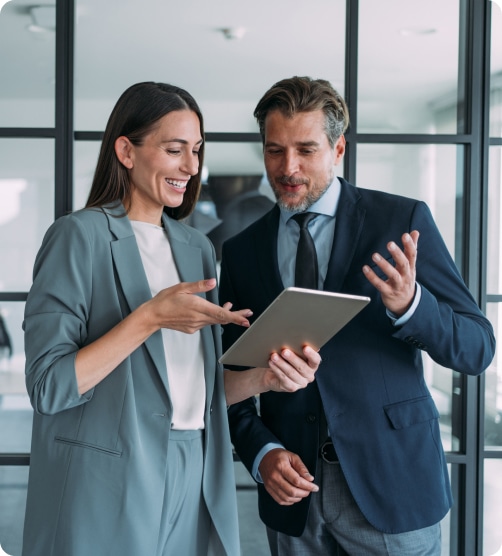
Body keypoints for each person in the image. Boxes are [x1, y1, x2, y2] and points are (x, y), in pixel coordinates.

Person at [21, 81, 321, 556]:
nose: (191, 166)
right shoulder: (77, 237)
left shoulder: (196, 248)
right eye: (174, 149)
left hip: (196, 468)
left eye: (197, 150)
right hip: (108, 478)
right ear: (126, 150)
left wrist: (265, 378)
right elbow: (48, 387)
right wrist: (150, 317)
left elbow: (197, 391)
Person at [219, 76, 496, 556]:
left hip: (393, 486)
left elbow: (476, 347)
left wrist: (412, 306)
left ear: (338, 147)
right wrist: (262, 454)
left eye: (306, 149)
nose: (289, 167)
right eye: (274, 151)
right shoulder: (242, 252)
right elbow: (229, 381)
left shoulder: (401, 221)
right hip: (294, 500)